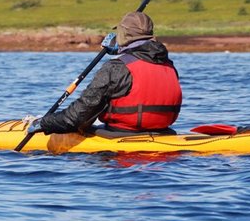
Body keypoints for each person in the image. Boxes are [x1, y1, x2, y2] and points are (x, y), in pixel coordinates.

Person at [27, 11, 182, 135]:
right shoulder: (169, 65)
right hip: (164, 134)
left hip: (121, 142)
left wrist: (44, 122)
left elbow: (74, 118)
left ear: (124, 35)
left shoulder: (115, 68)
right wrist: (122, 49)